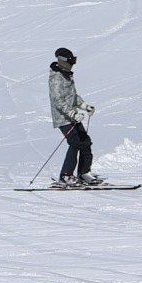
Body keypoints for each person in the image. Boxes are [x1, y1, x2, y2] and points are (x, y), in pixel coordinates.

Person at [49, 47, 96, 188]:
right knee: (75, 143)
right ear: (63, 61)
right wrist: (72, 113)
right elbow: (58, 101)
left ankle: (84, 173)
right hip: (63, 118)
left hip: (73, 117)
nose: (73, 64)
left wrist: (84, 106)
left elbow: (72, 97)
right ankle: (66, 175)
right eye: (71, 61)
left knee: (85, 142)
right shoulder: (56, 78)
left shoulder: (67, 75)